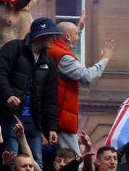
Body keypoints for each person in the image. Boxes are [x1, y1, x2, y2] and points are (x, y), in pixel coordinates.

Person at [0, 17, 60, 167]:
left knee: (37, 163)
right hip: (11, 116)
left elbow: (50, 99)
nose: (54, 39)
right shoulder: (14, 48)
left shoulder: (48, 63)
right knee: (13, 160)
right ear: (41, 35)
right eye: (51, 35)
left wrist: (52, 127)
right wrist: (8, 94)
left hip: (33, 121)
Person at [46, 23, 114, 153]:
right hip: (62, 114)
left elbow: (67, 44)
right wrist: (105, 58)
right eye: (77, 34)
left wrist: (79, 28)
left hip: (58, 111)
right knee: (74, 159)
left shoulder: (54, 48)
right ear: (67, 36)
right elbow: (87, 76)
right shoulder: (63, 56)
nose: (78, 36)